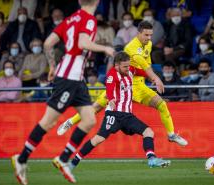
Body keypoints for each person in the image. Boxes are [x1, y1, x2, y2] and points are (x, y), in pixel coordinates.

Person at [11, 0, 115, 184]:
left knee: (90, 119)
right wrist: (105, 48)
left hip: (75, 78)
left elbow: (47, 43)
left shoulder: (70, 19)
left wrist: (52, 66)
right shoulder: (89, 19)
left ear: (79, 1)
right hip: (68, 79)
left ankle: (63, 159)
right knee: (48, 122)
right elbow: (83, 43)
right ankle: (21, 160)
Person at [57, 21, 188, 147]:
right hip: (122, 86)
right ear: (138, 33)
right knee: (96, 108)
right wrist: (156, 78)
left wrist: (150, 77)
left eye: (150, 35)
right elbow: (141, 63)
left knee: (162, 105)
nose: (149, 38)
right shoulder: (131, 48)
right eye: (146, 35)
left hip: (139, 87)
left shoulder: (148, 44)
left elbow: (146, 65)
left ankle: (171, 135)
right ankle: (70, 122)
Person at [68, 52, 171, 174]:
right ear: (116, 65)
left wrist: (155, 79)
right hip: (114, 114)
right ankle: (73, 163)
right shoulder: (112, 75)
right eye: (125, 67)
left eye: (128, 66)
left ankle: (152, 159)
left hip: (127, 116)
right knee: (98, 139)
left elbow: (143, 72)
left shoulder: (130, 69)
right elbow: (110, 89)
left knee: (148, 132)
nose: (128, 69)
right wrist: (111, 99)